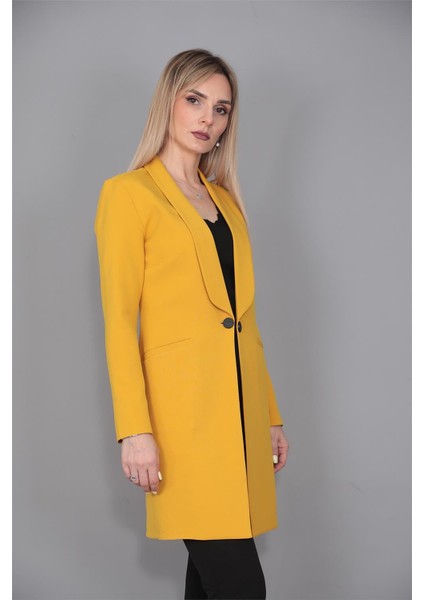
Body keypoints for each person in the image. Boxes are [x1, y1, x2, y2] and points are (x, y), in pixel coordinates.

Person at [94, 48, 289, 599]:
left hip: (240, 417)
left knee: (208, 585)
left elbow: (245, 323)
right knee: (240, 586)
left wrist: (269, 415)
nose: (208, 118)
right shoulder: (128, 194)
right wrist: (135, 431)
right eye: (195, 100)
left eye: (221, 109)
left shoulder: (226, 203)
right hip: (182, 424)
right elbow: (118, 323)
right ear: (168, 103)